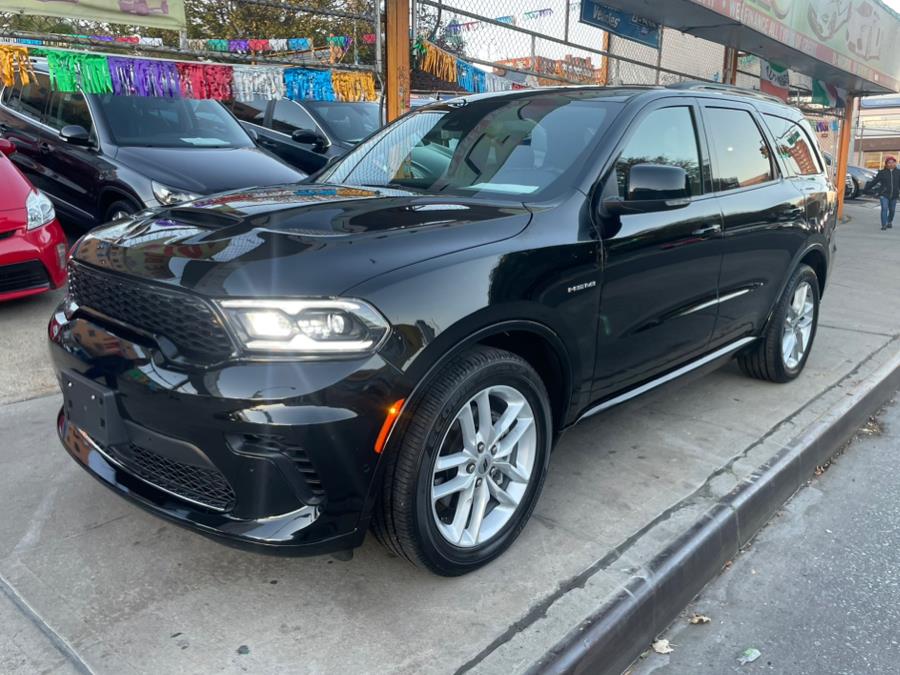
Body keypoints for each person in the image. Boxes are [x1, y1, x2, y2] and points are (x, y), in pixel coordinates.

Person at [867, 156, 900, 231]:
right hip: (884, 194)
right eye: (889, 163)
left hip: (894, 195)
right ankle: (884, 224)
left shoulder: (898, 172)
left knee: (892, 210)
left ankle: (889, 221)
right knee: (884, 209)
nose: (891, 164)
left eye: (893, 162)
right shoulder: (882, 173)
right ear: (886, 164)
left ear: (895, 163)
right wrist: (866, 189)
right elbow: (874, 182)